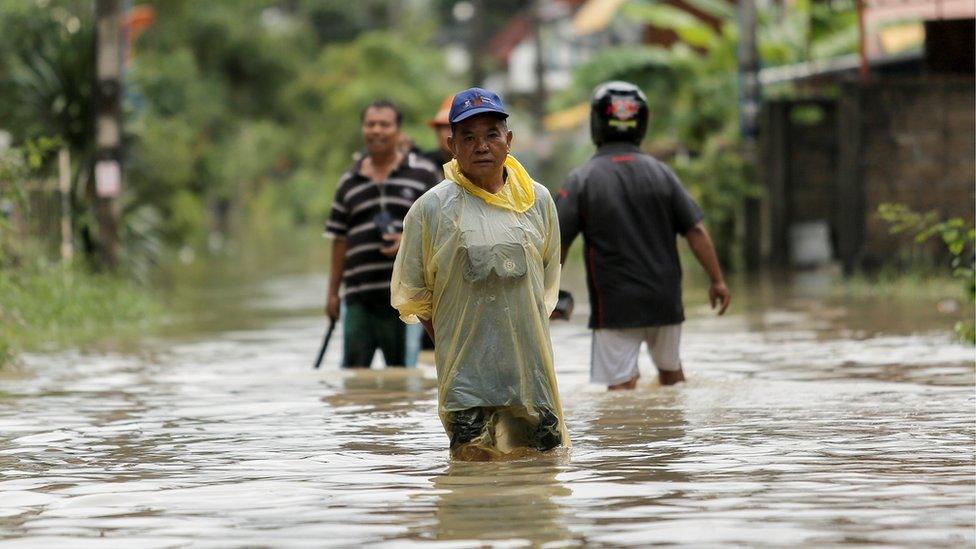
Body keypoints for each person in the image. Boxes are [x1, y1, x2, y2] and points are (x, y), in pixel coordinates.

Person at [391, 88, 569, 460]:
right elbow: (415, 294)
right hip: (466, 380)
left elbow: (547, 280)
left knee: (539, 474)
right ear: (452, 146)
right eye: (468, 138)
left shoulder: (538, 201)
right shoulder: (431, 210)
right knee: (471, 477)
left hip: (530, 374)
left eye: (491, 134)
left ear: (509, 141)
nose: (482, 146)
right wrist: (457, 350)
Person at [555, 81, 731, 390]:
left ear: (596, 123)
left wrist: (548, 293)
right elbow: (696, 230)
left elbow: (558, 242)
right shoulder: (662, 173)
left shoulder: (582, 179)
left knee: (620, 393)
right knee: (673, 379)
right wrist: (717, 280)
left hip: (615, 305)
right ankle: (675, 436)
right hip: (665, 300)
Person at [324, 99, 439, 368]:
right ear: (363, 130)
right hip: (358, 296)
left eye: (384, 124)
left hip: (405, 300)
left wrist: (407, 242)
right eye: (370, 124)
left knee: (403, 377)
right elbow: (339, 238)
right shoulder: (348, 181)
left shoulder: (423, 174)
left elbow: (442, 229)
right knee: (353, 375)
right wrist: (332, 293)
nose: (377, 130)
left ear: (398, 131)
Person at [422, 94, 454, 168]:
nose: (450, 133)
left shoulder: (476, 168)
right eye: (446, 127)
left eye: (453, 128)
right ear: (437, 132)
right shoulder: (423, 162)